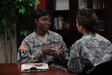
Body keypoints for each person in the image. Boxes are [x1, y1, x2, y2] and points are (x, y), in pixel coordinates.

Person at [67, 8, 112, 74]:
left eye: (76, 22)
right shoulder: (107, 42)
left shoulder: (78, 44)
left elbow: (74, 69)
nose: (76, 25)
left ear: (81, 26)